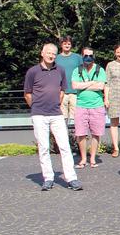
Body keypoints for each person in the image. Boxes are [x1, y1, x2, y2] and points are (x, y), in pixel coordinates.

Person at [24, 43, 82, 191]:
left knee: (64, 146)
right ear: (42, 53)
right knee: (44, 148)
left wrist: (55, 103)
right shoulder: (32, 72)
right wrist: (36, 107)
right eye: (48, 53)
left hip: (56, 114)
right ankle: (48, 178)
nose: (51, 56)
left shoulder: (60, 70)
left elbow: (62, 91)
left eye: (54, 54)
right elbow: (28, 94)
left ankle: (71, 178)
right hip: (39, 115)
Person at [71, 46, 107, 168]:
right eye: (85, 55)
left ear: (93, 57)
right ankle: (83, 158)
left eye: (90, 56)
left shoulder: (100, 70)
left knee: (96, 133)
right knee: (80, 133)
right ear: (82, 56)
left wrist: (84, 85)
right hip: (81, 106)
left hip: (97, 106)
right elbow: (75, 85)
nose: (88, 58)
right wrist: (92, 83)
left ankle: (92, 158)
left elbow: (101, 86)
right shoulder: (77, 70)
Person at [54, 35, 81, 137]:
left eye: (69, 43)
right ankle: (63, 142)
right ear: (61, 45)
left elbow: (83, 72)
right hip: (61, 93)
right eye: (65, 43)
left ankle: (78, 140)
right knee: (62, 119)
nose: (67, 45)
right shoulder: (56, 58)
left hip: (75, 93)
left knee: (77, 119)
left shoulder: (77, 58)